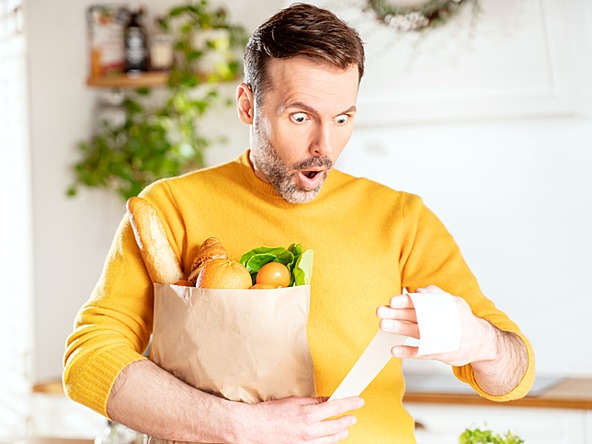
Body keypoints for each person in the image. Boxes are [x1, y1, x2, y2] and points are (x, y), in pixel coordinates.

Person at [63, 3, 534, 443]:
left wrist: (482, 343)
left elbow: (514, 375)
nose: (324, 146)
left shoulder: (401, 218)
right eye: (301, 116)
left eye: (343, 117)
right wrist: (239, 426)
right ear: (248, 106)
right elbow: (88, 360)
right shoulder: (170, 208)